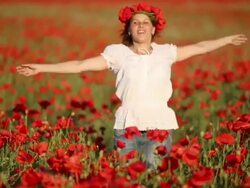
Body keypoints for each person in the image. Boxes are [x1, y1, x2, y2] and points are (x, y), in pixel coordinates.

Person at [16, 3, 247, 169]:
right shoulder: (117, 53)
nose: (141, 26)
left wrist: (225, 40)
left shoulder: (166, 52)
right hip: (127, 129)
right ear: (129, 29)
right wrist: (42, 68)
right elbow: (80, 65)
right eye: (135, 23)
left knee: (153, 175)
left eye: (145, 23)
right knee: (126, 180)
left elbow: (200, 47)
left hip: (160, 127)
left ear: (154, 29)